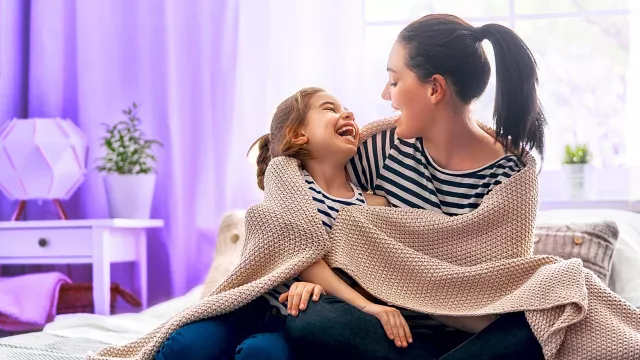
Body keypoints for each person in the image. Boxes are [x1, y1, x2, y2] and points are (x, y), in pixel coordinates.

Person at [284, 14, 547, 360]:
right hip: (391, 337)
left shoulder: (510, 178)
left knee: (542, 318)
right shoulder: (381, 149)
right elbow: (309, 205)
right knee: (310, 319)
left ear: (434, 89)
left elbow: (498, 293)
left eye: (394, 82)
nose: (385, 94)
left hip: (475, 342)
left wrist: (427, 289)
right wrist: (312, 275)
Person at [154, 86, 411, 360]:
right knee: (189, 346)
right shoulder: (286, 177)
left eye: (344, 108)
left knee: (261, 354)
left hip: (298, 319)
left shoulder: (375, 205)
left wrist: (326, 294)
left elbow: (379, 271)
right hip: (253, 303)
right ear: (298, 134)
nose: (347, 113)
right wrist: (365, 306)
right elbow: (298, 248)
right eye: (329, 108)